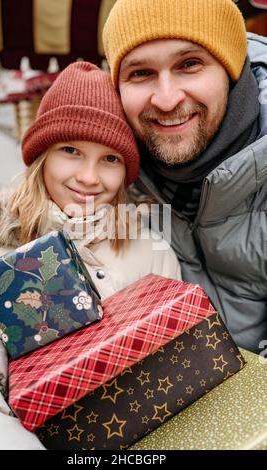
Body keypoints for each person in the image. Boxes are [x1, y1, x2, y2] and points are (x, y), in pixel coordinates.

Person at [0, 61, 181, 449]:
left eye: (110, 159)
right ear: (41, 156)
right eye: (71, 150)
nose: (89, 177)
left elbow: (178, 368)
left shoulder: (153, 252)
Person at [102, 0, 267, 354]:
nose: (166, 98)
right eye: (141, 73)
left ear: (232, 69)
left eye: (189, 64)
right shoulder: (108, 179)